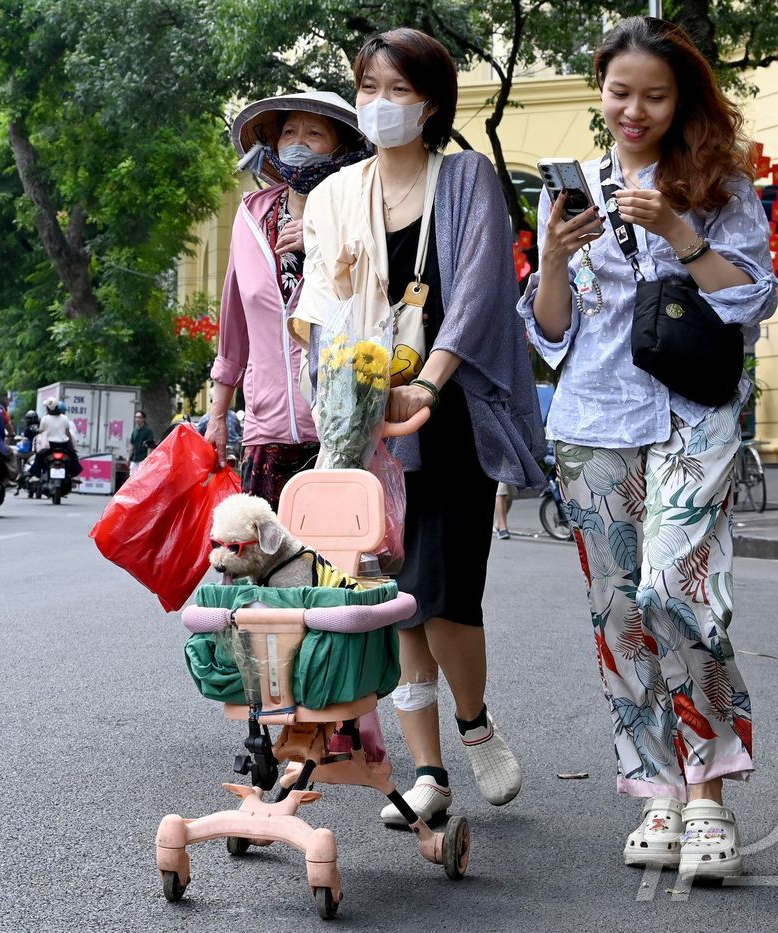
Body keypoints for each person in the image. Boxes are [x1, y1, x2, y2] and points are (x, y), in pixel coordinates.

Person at [519, 16, 778, 878]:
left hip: (691, 412)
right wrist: (553, 255)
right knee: (620, 612)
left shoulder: (718, 183)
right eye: (620, 92)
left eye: (654, 95)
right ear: (601, 91)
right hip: (591, 420)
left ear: (682, 99)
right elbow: (551, 329)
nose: (634, 110)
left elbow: (752, 299)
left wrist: (676, 231)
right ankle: (658, 789)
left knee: (677, 589)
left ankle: (711, 792)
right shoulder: (574, 186)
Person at [294, 28, 545, 826]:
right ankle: (427, 770)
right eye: (368, 87)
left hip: (450, 415)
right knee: (391, 589)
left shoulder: (466, 178)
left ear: (432, 102)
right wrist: (350, 391)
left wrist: (427, 384)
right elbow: (316, 311)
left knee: (445, 591)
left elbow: (475, 293)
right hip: (367, 419)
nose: (379, 104)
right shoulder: (336, 194)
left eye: (398, 90)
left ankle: (473, 719)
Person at [208, 91, 372, 509]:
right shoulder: (250, 216)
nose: (298, 142)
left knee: (330, 565)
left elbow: (376, 304)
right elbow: (234, 330)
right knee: (262, 562)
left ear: (343, 147)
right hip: (266, 432)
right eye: (288, 132)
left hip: (341, 427)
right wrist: (217, 417)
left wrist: (323, 240)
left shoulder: (362, 213)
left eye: (315, 133)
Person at [35, 396, 82, 477]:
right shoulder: (65, 418)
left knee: (38, 457)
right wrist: (71, 446)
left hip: (49, 445)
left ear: (49, 408)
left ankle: (35, 474)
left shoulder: (45, 418)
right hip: (64, 444)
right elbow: (67, 433)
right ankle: (75, 475)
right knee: (74, 457)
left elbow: (41, 433)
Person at [129, 411, 155, 476]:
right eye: (136, 417)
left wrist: (147, 459)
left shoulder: (148, 431)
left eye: (139, 417)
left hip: (143, 459)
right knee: (131, 477)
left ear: (143, 419)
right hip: (134, 459)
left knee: (140, 477)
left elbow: (150, 446)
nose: (137, 419)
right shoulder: (134, 431)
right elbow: (132, 444)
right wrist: (128, 457)